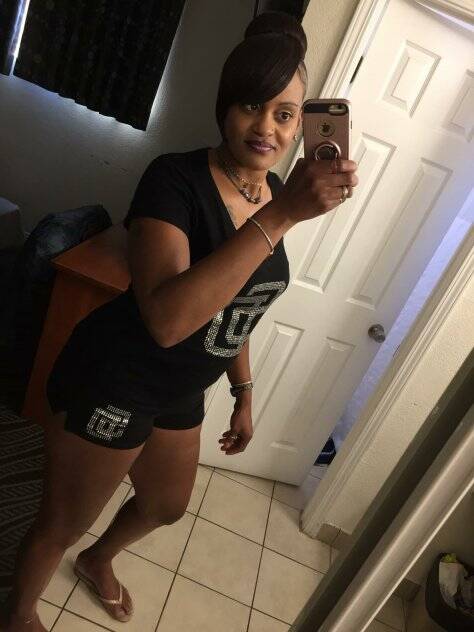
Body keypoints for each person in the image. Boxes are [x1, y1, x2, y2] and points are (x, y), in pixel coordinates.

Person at [2, 11, 358, 631]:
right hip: (119, 377)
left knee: (165, 505)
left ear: (302, 125)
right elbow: (167, 320)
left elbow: (239, 304)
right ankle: (18, 612)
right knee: (61, 521)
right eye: (251, 105)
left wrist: (244, 391)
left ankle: (97, 559)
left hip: (179, 388)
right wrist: (282, 219)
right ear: (225, 105)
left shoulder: (275, 194)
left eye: (285, 114)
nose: (266, 127)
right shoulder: (175, 180)